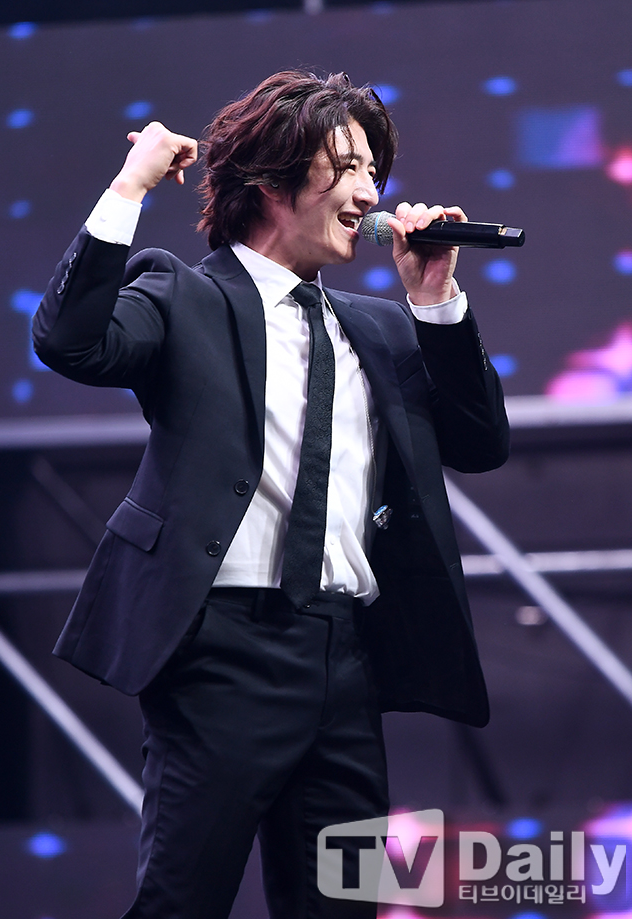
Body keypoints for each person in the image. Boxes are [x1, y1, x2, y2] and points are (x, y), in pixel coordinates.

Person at [33, 70, 509, 919]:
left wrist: (434, 297)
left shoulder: (382, 327)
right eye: (349, 167)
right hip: (223, 650)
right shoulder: (183, 295)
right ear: (273, 179)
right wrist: (131, 185)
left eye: (374, 173)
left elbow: (479, 444)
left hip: (346, 655)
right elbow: (70, 342)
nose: (371, 194)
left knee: (342, 902)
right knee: (182, 899)